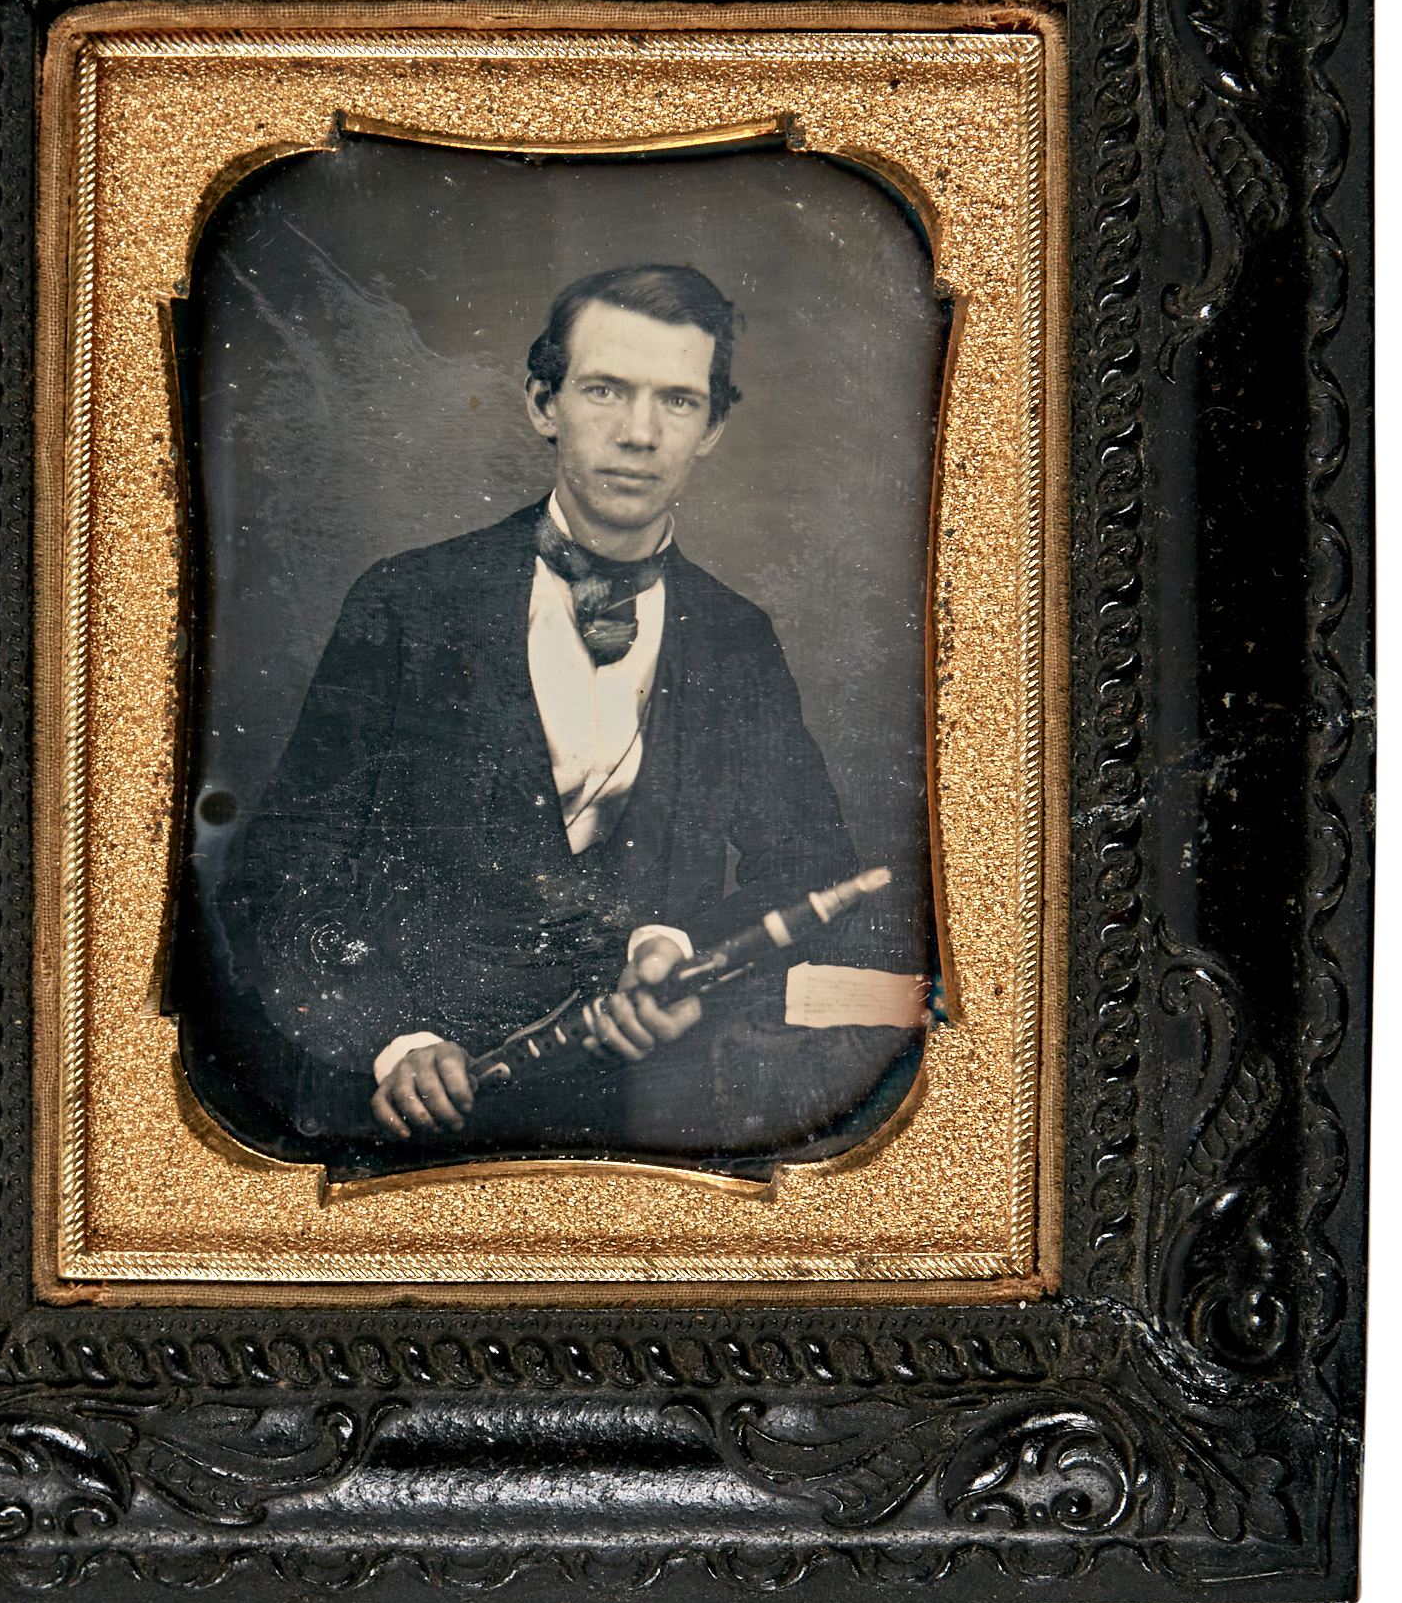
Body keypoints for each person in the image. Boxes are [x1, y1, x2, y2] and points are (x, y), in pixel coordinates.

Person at [180, 264, 927, 1175]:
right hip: (402, 1127)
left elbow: (811, 870)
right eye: (606, 390)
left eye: (678, 402)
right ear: (543, 403)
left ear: (714, 428)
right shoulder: (407, 605)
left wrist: (674, 948)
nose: (640, 434)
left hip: (643, 1134)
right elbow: (278, 874)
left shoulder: (736, 638)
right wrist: (393, 1040)